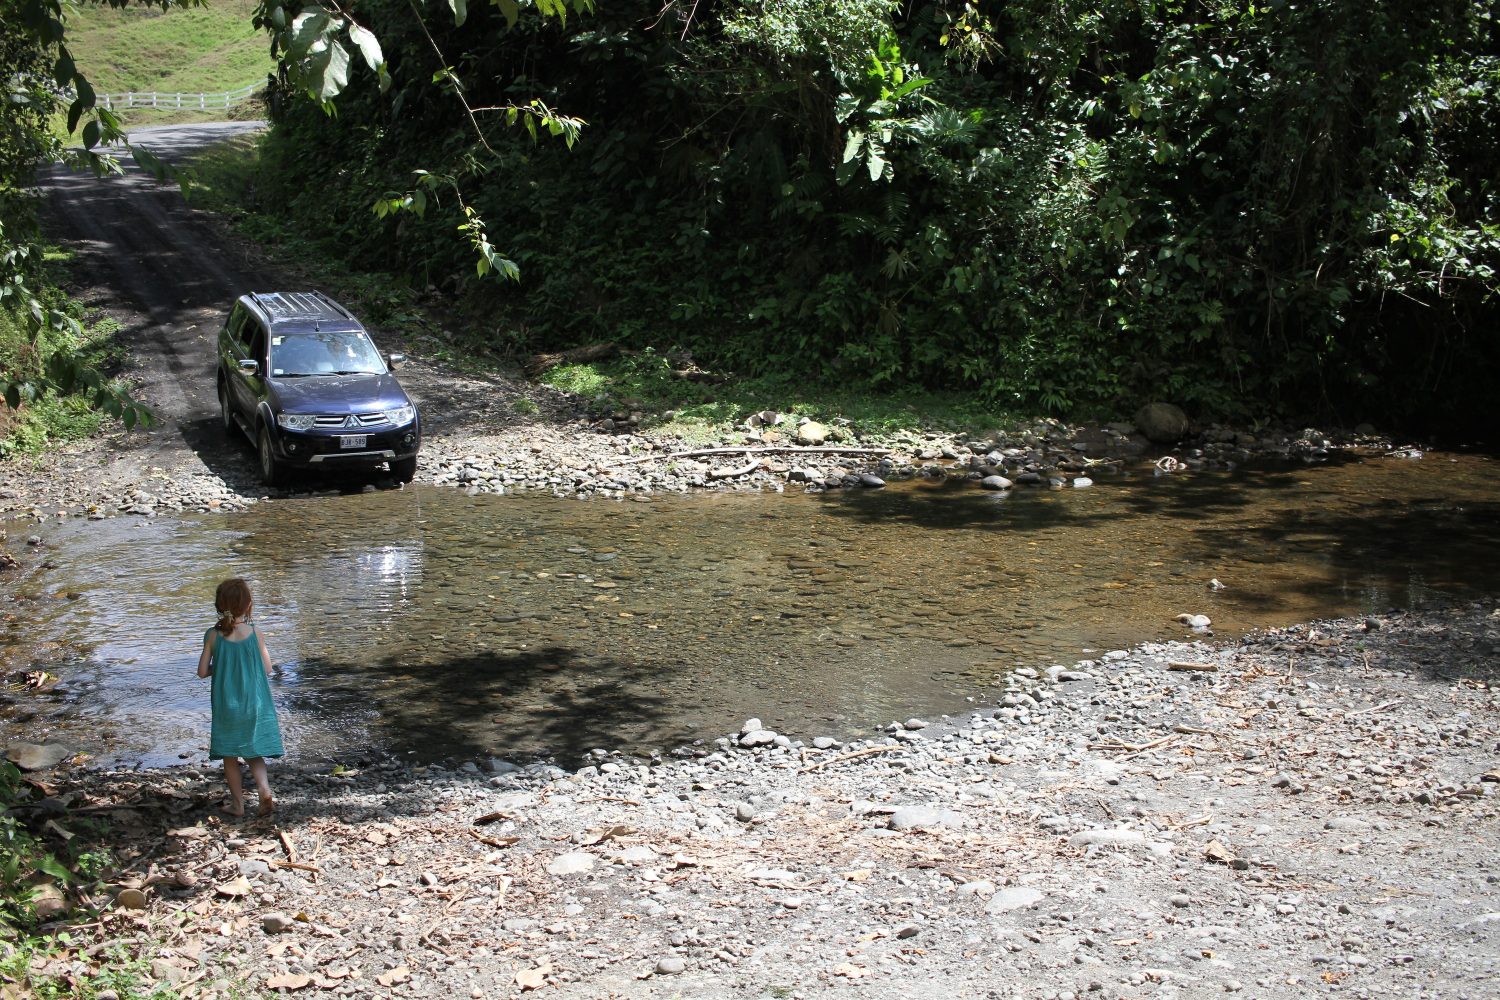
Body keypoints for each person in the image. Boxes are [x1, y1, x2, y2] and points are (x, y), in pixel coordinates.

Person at [197, 578, 284, 817]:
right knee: (253, 752)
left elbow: (203, 672)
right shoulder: (256, 632)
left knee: (230, 755)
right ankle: (264, 789)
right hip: (255, 702)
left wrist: (222, 666)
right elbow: (267, 669)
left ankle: (238, 805)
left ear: (218, 605)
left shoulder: (212, 636)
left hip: (227, 705)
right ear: (248, 605)